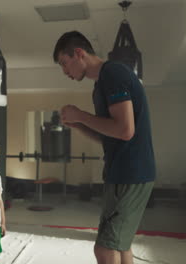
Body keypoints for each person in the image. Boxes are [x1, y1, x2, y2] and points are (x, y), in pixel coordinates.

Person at [53, 31, 156, 264]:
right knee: (120, 246)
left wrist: (81, 114)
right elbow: (110, 136)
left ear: (79, 54)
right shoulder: (101, 85)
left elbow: (124, 130)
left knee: (105, 249)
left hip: (130, 173)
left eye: (64, 63)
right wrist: (77, 123)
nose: (64, 71)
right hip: (124, 172)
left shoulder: (113, 73)